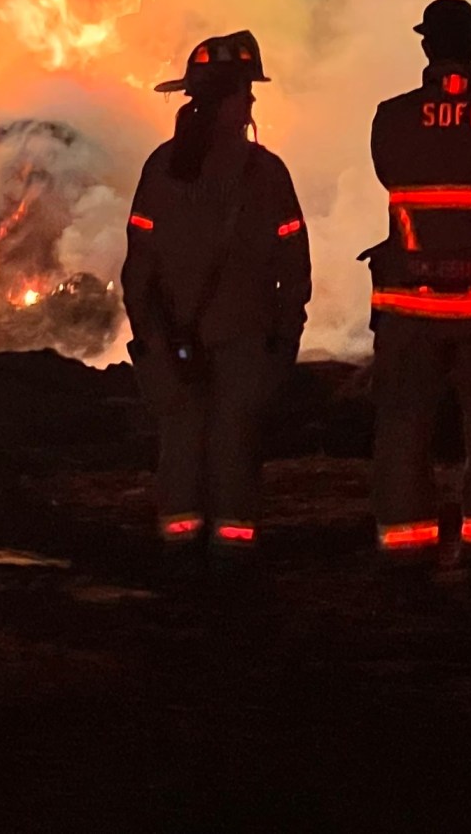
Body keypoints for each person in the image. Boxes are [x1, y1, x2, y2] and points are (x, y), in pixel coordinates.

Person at [122, 32, 311, 558]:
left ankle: (179, 556)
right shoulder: (266, 172)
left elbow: (139, 264)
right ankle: (234, 558)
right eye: (246, 93)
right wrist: (285, 336)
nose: (251, 102)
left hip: (173, 343)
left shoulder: (161, 168)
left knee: (180, 447)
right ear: (228, 101)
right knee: (236, 448)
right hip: (246, 343)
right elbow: (294, 262)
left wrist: (152, 337)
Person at [366, 0, 471, 572]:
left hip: (409, 303)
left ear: (427, 46)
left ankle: (405, 550)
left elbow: (390, 175)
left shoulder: (392, 118)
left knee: (401, 426)